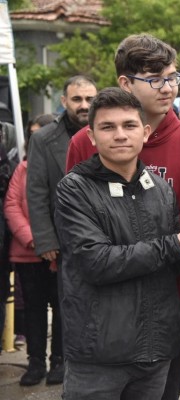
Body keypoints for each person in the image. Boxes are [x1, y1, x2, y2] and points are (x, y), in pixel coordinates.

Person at [65, 33, 180, 400]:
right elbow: (81, 236)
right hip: (103, 314)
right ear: (125, 83)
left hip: (172, 303)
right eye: (155, 79)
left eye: (173, 77)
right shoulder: (83, 142)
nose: (168, 88)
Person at [26, 75, 98, 386]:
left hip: (100, 237)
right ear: (64, 101)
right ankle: (49, 362)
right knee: (59, 304)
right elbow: (36, 192)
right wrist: (45, 240)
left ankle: (71, 361)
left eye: (90, 99)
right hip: (61, 240)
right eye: (77, 99)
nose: (84, 105)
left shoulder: (106, 130)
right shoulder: (44, 139)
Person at [5, 113, 54, 353]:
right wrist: (36, 240)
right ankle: (35, 361)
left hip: (59, 253)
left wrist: (53, 242)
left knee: (62, 309)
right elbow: (12, 206)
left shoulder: (65, 166)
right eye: (32, 135)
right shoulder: (22, 169)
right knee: (33, 309)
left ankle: (59, 361)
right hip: (29, 252)